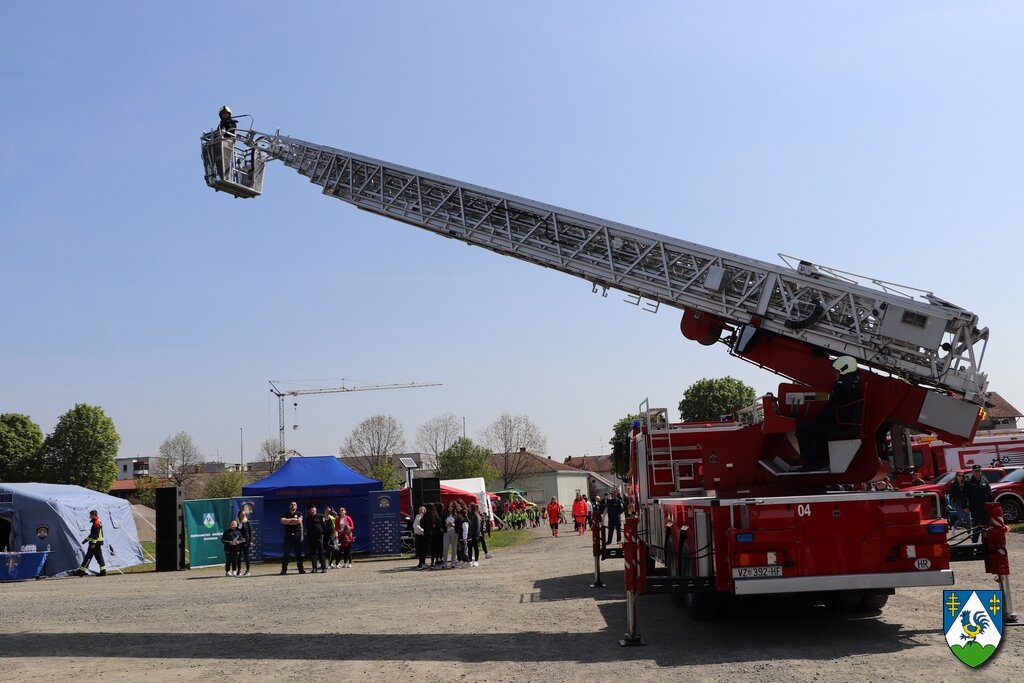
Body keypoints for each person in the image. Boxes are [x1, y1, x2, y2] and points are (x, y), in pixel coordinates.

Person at [797, 355, 863, 471]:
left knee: (803, 429)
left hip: (839, 424)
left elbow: (830, 409)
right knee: (817, 427)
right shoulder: (854, 385)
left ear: (844, 369)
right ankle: (822, 460)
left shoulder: (842, 387)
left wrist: (817, 418)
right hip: (845, 423)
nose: (835, 374)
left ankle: (812, 463)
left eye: (837, 371)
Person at [965, 464, 994, 543]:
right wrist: (966, 506)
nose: (978, 472)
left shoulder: (984, 480)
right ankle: (974, 543)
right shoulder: (968, 483)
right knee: (977, 526)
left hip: (984, 507)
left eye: (979, 471)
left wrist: (992, 504)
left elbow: (989, 493)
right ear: (972, 472)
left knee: (985, 526)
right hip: (975, 508)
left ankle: (985, 544)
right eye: (976, 471)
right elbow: (965, 496)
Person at [77, 510, 106, 577]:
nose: (89, 517)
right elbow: (92, 534)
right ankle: (103, 571)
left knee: (88, 557)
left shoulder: (96, 523)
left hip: (95, 544)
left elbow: (95, 535)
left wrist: (93, 543)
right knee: (99, 557)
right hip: (97, 543)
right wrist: (85, 540)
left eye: (90, 515)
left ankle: (81, 571)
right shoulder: (97, 522)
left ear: (93, 515)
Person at [280, 501, 305, 575]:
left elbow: (299, 521)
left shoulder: (299, 513)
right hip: (288, 536)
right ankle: (284, 570)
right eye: (292, 504)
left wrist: (288, 521)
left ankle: (301, 569)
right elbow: (282, 521)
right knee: (286, 553)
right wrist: (293, 520)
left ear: (296, 507)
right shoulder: (285, 514)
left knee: (298, 553)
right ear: (289, 506)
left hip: (297, 536)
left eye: (294, 505)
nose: (293, 505)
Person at [305, 504, 328, 573]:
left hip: (319, 537)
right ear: (308, 511)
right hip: (311, 537)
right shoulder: (307, 518)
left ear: (316, 509)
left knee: (321, 552)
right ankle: (314, 568)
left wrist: (323, 535)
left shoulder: (320, 516)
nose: (311, 509)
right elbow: (307, 528)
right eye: (310, 509)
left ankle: (324, 568)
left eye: (313, 508)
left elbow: (324, 527)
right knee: (313, 553)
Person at [442, 502, 459, 567]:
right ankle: (445, 563)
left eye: (451, 507)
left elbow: (458, 524)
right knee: (445, 547)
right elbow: (442, 524)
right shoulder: (444, 515)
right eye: (449, 507)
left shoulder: (456, 515)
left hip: (454, 532)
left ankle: (453, 563)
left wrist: (454, 525)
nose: (450, 508)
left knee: (454, 547)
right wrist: (445, 525)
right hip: (446, 532)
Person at [237, 510, 253, 576]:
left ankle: (248, 571)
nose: (244, 515)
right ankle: (239, 571)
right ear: (239, 515)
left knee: (246, 556)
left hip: (246, 541)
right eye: (242, 514)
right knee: (238, 556)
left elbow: (250, 532)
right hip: (238, 541)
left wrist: (250, 541)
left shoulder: (247, 522)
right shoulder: (236, 522)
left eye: (245, 514)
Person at [413, 505, 428, 570]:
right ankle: (420, 563)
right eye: (420, 510)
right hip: (419, 535)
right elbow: (415, 525)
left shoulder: (426, 517)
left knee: (424, 550)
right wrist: (422, 530)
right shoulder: (418, 516)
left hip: (424, 535)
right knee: (420, 550)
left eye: (423, 510)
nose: (421, 511)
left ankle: (423, 563)